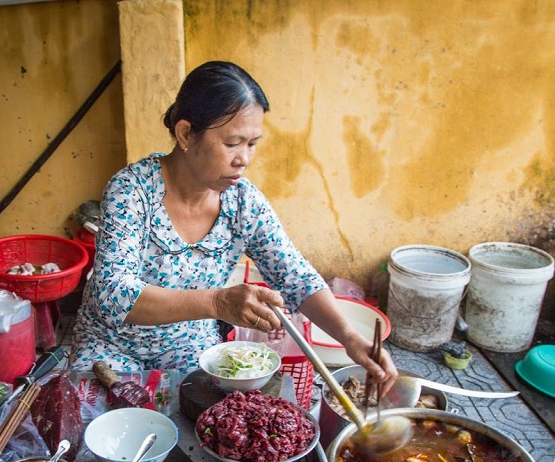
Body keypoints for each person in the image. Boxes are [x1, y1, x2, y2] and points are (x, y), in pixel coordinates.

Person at [70, 60, 397, 384]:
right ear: (186, 133)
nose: (244, 159)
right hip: (109, 346)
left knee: (209, 423)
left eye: (252, 144)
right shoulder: (132, 190)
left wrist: (350, 337)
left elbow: (295, 275)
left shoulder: (244, 202)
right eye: (231, 143)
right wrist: (216, 301)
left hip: (189, 348)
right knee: (89, 419)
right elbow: (114, 294)